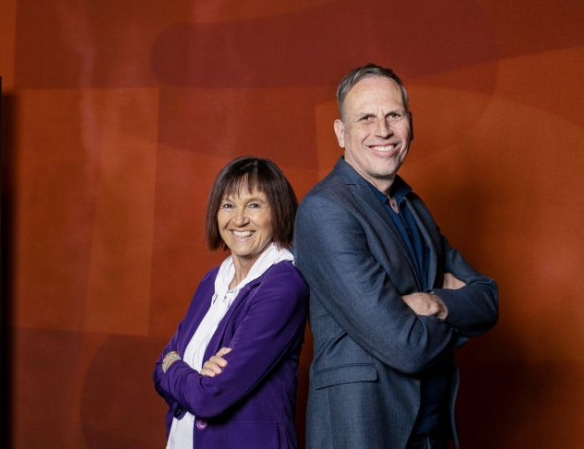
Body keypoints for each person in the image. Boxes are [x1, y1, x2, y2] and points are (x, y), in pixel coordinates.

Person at [293, 64, 499, 449]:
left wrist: (434, 304)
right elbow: (404, 347)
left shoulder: (413, 207)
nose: (383, 130)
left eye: (394, 115)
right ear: (341, 133)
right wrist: (457, 313)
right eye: (366, 118)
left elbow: (488, 300)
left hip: (432, 432)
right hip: (365, 431)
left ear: (410, 124)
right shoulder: (326, 211)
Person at [154, 156, 309, 449]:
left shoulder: (284, 284)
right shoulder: (212, 281)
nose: (239, 219)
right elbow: (158, 369)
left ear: (278, 211)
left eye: (254, 205)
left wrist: (175, 364)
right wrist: (187, 372)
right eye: (228, 205)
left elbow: (209, 395)